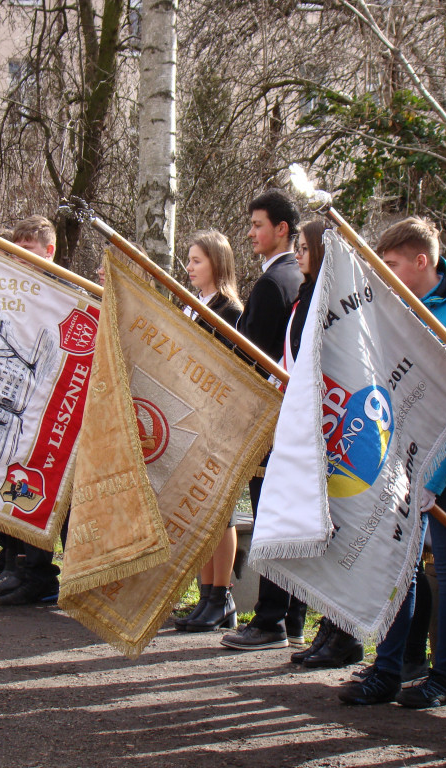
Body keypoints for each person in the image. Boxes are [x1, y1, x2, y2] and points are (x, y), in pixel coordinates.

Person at [339, 216, 446, 708]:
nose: (385, 272)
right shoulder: (391, 308)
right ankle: (387, 669)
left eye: (393, 263)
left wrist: (437, 475)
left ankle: (445, 680)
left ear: (422, 261)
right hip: (397, 463)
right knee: (394, 568)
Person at [220, 188, 306, 651]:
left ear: (282, 229)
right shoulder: (295, 279)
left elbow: (251, 357)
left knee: (272, 517)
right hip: (286, 419)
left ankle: (271, 618)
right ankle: (291, 617)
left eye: (257, 225)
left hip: (271, 418)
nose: (251, 233)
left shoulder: (275, 285)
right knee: (285, 517)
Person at [278, 219, 364, 668]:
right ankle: (327, 625)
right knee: (321, 533)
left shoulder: (334, 300)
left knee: (340, 529)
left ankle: (344, 631)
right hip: (308, 424)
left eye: (305, 248)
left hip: (333, 425)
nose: (298, 255)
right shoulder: (303, 296)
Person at [0, 216, 64, 606]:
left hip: (49, 410)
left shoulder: (66, 293)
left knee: (39, 487)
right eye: (16, 248)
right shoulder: (18, 289)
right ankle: (16, 566)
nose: (20, 256)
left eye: (28, 250)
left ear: (49, 251)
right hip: (18, 405)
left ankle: (41, 574)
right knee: (14, 483)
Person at [173, 229, 242, 632]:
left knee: (221, 514)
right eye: (188, 259)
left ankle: (222, 597)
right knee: (201, 512)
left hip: (217, 422)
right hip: (190, 419)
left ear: (217, 262)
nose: (190, 267)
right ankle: (205, 596)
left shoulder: (229, 310)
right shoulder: (194, 306)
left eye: (197, 260)